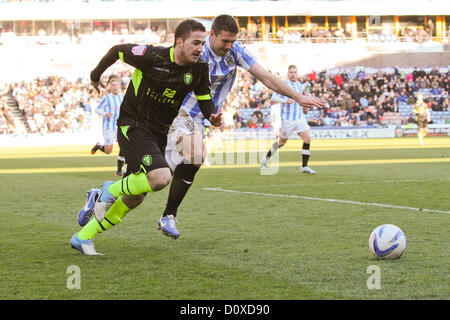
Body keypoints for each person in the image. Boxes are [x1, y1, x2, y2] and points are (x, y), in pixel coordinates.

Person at [162, 15, 326, 239]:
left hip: (202, 120)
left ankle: (107, 195)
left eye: (232, 41)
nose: (229, 46)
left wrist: (298, 96)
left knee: (154, 180)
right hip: (179, 113)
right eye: (224, 42)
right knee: (197, 155)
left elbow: (267, 77)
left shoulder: (236, 52)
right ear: (212, 35)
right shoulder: (196, 50)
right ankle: (168, 215)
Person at [70, 19, 222, 255]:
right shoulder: (152, 56)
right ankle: (108, 189)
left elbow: (203, 98)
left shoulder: (199, 68)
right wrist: (95, 74)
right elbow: (116, 51)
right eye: (195, 43)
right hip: (133, 125)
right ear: (179, 42)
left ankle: (83, 237)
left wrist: (212, 116)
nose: (200, 49)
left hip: (159, 134)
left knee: (136, 197)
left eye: (203, 44)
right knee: (161, 177)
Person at [261, 65, 317, 174]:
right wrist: (285, 101)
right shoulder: (284, 85)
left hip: (299, 117)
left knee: (307, 139)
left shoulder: (299, 86)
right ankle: (266, 158)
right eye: (291, 72)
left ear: (297, 73)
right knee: (281, 142)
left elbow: (301, 101)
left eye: (295, 72)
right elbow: (273, 98)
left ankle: (304, 166)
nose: (293, 74)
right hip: (288, 120)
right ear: (288, 73)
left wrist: (306, 108)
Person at [90, 76, 126, 176]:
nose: (115, 87)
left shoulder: (122, 97)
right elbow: (97, 109)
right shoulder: (107, 98)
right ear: (110, 86)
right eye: (113, 85)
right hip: (109, 126)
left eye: (117, 85)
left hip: (120, 126)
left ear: (120, 86)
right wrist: (105, 113)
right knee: (108, 150)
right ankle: (99, 146)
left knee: (124, 147)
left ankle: (119, 170)